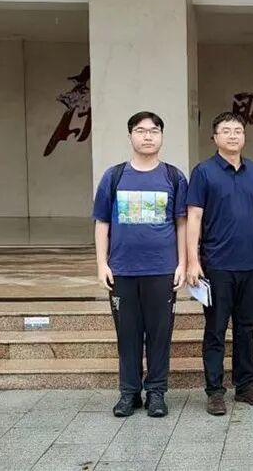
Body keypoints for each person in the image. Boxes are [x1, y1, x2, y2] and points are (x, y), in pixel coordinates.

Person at [92, 111, 188, 418]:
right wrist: (102, 264)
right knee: (128, 334)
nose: (148, 136)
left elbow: (182, 223)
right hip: (122, 270)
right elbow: (102, 223)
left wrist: (182, 263)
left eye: (154, 131)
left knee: (160, 335)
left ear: (161, 136)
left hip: (162, 269)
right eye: (141, 130)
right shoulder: (114, 176)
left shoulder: (173, 177)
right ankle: (129, 393)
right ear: (130, 136)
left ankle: (156, 392)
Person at [186, 111, 253, 416]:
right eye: (226, 131)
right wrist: (192, 260)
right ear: (215, 137)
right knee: (216, 329)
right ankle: (215, 390)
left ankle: (246, 386)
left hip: (250, 265)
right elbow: (194, 216)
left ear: (244, 136)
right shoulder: (203, 172)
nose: (233, 135)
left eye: (238, 130)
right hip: (217, 265)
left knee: (247, 328)